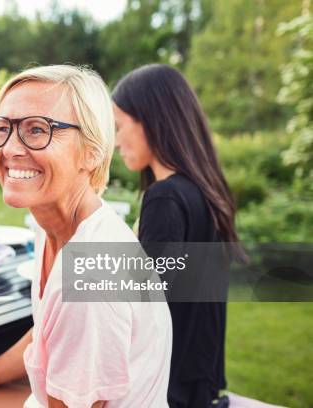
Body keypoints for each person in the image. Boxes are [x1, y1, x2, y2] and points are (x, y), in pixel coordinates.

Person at [0, 65, 172, 408]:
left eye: (37, 129)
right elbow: (46, 337)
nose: (10, 148)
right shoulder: (51, 227)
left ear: (92, 151)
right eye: (2, 128)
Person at [113, 64, 244, 408]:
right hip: (200, 380)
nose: (115, 141)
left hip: (165, 390)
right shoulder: (204, 191)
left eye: (119, 126)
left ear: (151, 121)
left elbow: (139, 307)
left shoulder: (166, 198)